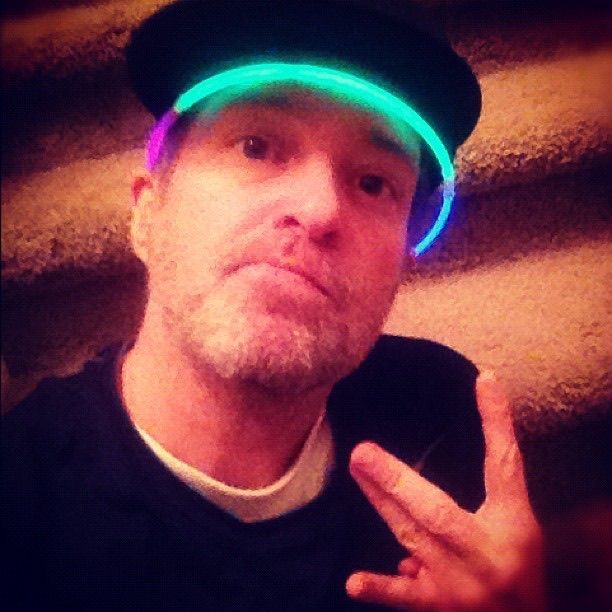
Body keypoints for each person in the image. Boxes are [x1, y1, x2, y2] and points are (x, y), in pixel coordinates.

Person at [2, 1, 545, 609]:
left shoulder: (440, 413)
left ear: (401, 263)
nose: (319, 210)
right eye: (256, 146)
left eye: (373, 183)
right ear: (147, 212)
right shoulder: (22, 504)